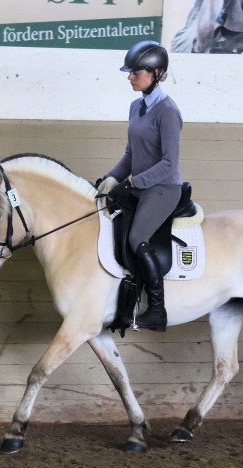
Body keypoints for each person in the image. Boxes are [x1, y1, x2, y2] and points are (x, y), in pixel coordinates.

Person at [97, 40, 183, 333]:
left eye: (136, 72)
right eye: (130, 72)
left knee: (137, 238)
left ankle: (157, 310)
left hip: (163, 189)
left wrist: (134, 181)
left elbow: (169, 164)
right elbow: (131, 155)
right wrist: (111, 178)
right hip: (139, 186)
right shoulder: (136, 107)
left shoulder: (168, 112)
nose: (130, 77)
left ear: (156, 73)